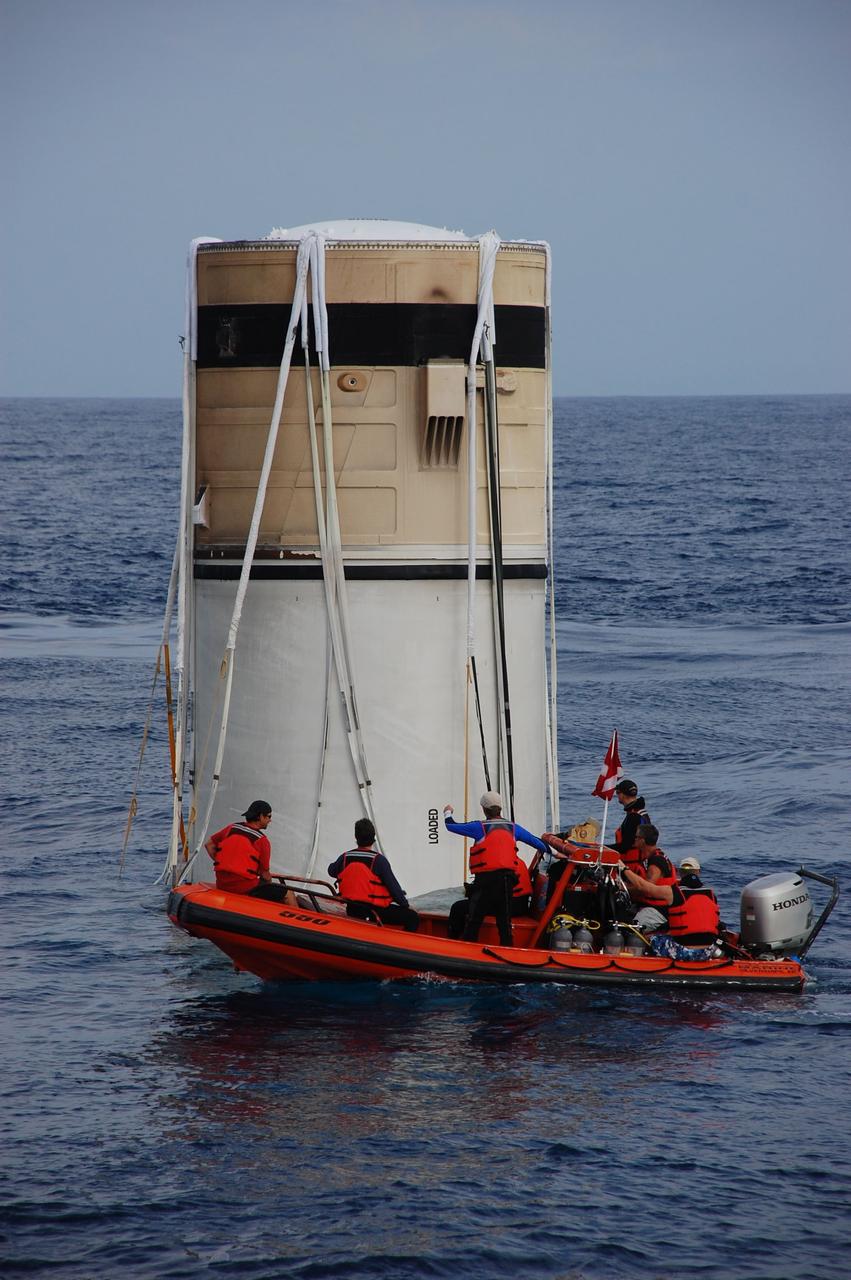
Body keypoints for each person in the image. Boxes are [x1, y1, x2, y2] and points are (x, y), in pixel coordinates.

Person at [444, 791, 548, 945]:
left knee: (474, 919)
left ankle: (462, 948)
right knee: (504, 924)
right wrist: (555, 851)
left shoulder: (479, 828)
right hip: (507, 885)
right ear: (500, 808)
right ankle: (508, 951)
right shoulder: (514, 828)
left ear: (484, 809)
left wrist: (448, 812)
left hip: (486, 883)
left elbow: (450, 825)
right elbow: (537, 843)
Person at [620, 854, 721, 960]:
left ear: (680, 873)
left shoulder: (673, 892)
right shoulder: (711, 895)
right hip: (706, 952)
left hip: (682, 951)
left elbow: (643, 886)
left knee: (649, 938)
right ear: (698, 872)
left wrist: (624, 868)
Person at [328, 818, 419, 932]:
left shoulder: (345, 857)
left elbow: (331, 871)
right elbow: (394, 889)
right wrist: (406, 906)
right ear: (373, 837)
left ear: (356, 837)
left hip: (352, 909)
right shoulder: (379, 861)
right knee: (413, 918)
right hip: (374, 912)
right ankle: (403, 947)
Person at [205, 800, 287, 901]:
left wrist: (224, 861)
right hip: (245, 887)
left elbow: (209, 845)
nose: (270, 820)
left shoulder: (231, 828)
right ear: (260, 816)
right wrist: (270, 886)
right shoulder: (262, 841)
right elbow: (265, 874)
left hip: (222, 883)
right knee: (287, 893)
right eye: (269, 816)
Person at [622, 824, 678, 929]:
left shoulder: (657, 862)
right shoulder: (647, 858)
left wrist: (624, 888)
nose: (633, 839)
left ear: (643, 840)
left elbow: (647, 889)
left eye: (636, 837)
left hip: (658, 909)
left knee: (631, 930)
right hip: (644, 905)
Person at [608, 779, 651, 866]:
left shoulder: (633, 817)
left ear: (623, 795)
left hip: (632, 867)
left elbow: (625, 846)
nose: (617, 795)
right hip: (641, 863)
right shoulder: (641, 812)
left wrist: (602, 848)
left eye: (617, 793)